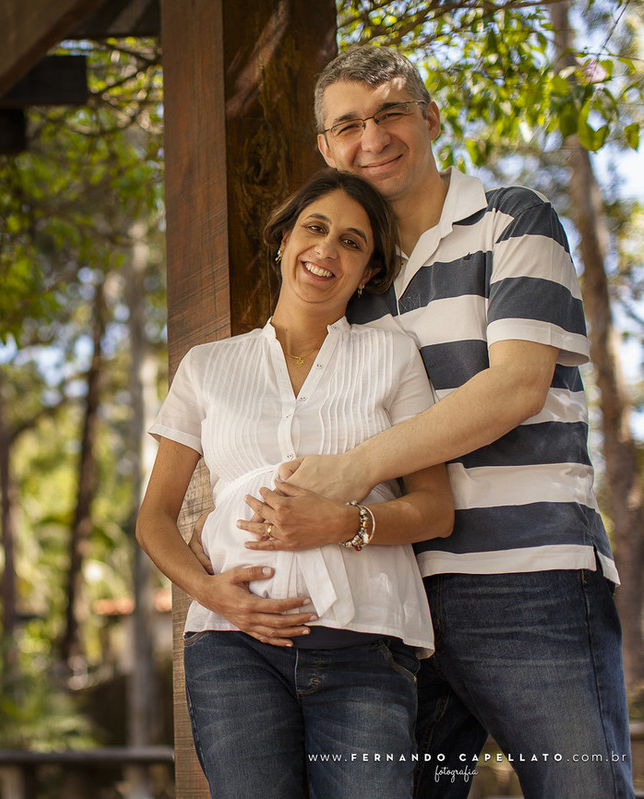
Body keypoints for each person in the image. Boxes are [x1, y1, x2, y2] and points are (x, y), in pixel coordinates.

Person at [235, 45, 632, 798]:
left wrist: (353, 472)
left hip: (529, 584)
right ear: (326, 148)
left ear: (430, 117)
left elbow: (515, 386)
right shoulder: (353, 276)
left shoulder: (513, 219)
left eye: (390, 113)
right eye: (347, 125)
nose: (372, 137)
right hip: (393, 601)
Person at [137, 168, 454, 798]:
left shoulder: (391, 355)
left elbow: (434, 509)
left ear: (368, 273)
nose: (327, 250)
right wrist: (209, 592)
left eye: (352, 242)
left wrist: (347, 522)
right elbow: (154, 518)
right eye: (315, 228)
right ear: (283, 239)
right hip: (235, 649)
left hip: (366, 645)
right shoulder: (207, 366)